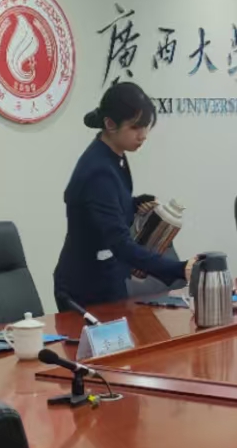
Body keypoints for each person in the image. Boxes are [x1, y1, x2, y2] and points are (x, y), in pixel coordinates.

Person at [53, 81, 193, 310]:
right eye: (136, 128)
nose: (143, 135)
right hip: (85, 287)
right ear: (110, 124)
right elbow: (120, 243)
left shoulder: (114, 155)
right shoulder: (98, 171)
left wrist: (134, 204)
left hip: (108, 276)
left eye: (146, 127)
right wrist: (178, 269)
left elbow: (104, 208)